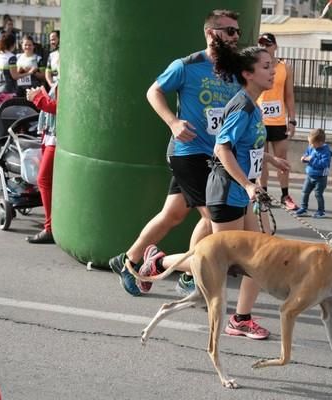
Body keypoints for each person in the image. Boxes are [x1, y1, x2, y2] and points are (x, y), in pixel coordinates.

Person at [108, 10, 241, 297]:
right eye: (229, 31)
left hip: (215, 155)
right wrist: (173, 122)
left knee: (173, 214)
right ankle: (190, 273)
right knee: (212, 217)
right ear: (211, 33)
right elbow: (153, 92)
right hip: (189, 152)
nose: (235, 37)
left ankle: (129, 260)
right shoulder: (187, 65)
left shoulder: (233, 73)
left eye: (237, 32)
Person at [205, 37, 289, 339]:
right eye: (266, 67)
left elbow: (244, 145)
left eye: (274, 66)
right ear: (248, 74)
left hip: (241, 192)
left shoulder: (254, 105)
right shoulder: (242, 106)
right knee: (217, 262)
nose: (273, 71)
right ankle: (158, 261)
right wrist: (248, 185)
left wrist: (270, 159)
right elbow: (222, 149)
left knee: (259, 255)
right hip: (228, 191)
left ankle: (240, 319)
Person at [255, 33, 298, 210]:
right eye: (262, 44)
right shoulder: (255, 66)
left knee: (281, 159)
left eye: (268, 44)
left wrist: (292, 120)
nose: (265, 47)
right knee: (261, 160)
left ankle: (285, 195)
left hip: (279, 120)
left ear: (275, 46)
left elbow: (289, 95)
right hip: (259, 120)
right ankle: (263, 194)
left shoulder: (284, 67)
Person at [25, 83, 57, 244]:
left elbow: (58, 108)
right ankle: (52, 226)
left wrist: (37, 98)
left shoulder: (66, 80)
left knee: (44, 180)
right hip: (51, 136)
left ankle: (50, 228)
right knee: (47, 181)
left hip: (56, 139)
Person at [294, 128, 332, 218]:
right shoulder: (311, 147)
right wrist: (304, 158)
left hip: (320, 177)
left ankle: (321, 211)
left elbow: (324, 164)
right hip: (310, 175)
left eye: (312, 143)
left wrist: (311, 159)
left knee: (318, 194)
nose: (310, 145)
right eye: (309, 143)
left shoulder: (325, 151)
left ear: (320, 143)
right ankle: (304, 208)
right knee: (305, 191)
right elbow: (307, 153)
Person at [0, 33, 22, 104]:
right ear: (13, 44)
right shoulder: (12, 57)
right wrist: (29, 72)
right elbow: (15, 76)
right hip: (9, 91)